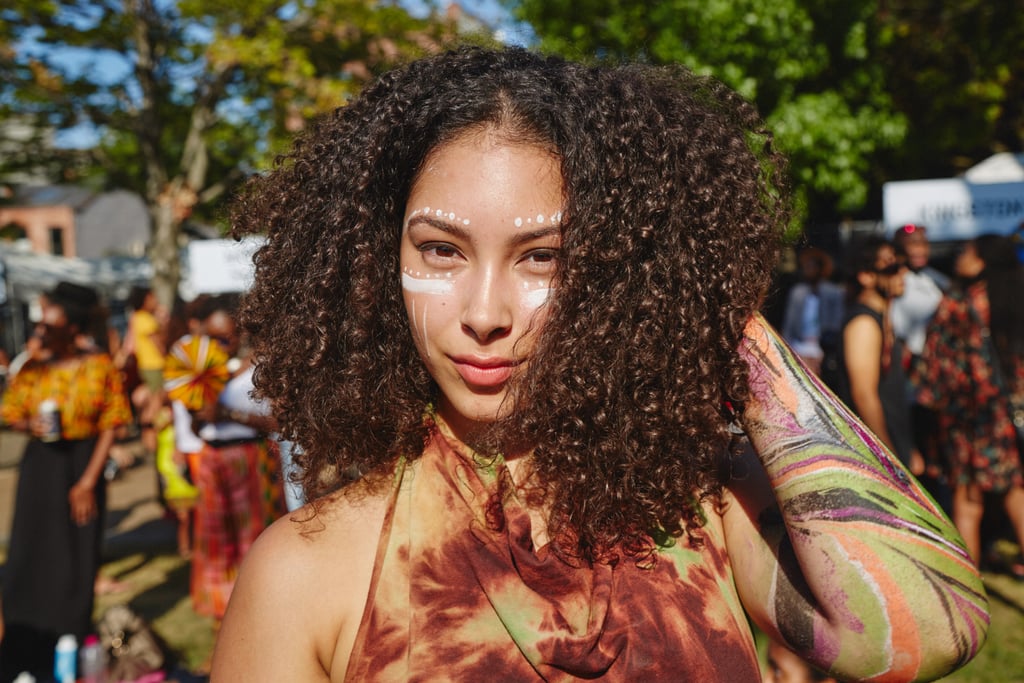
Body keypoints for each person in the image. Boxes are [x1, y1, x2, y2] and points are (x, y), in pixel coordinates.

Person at [211, 47, 988, 681]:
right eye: (441, 250)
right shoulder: (307, 572)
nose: (485, 313)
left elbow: (928, 627)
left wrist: (711, 310)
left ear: (618, 274)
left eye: (543, 256)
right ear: (374, 263)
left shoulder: (702, 508)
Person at [0, 282, 132, 682]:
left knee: (76, 555)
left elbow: (112, 423)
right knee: (30, 552)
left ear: (72, 326)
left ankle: (69, 642)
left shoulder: (99, 366)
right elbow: (8, 412)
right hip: (41, 467)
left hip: (82, 465)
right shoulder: (34, 368)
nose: (40, 328)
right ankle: (24, 647)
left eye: (48, 320)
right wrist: (29, 422)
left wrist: (88, 482)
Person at [914, 233, 1024, 579]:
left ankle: (969, 587)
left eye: (967, 251)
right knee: (1014, 492)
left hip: (967, 417)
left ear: (982, 260)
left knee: (967, 499)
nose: (960, 255)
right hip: (1003, 415)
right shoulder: (1012, 296)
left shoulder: (958, 302)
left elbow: (933, 366)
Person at [835, 236, 921, 472]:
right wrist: (890, 460)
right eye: (891, 266)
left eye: (902, 264)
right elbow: (864, 396)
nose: (902, 272)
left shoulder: (881, 319)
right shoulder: (863, 323)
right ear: (866, 276)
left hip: (893, 442)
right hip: (876, 458)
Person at [781, 246, 844, 378]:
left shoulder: (833, 292)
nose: (808, 270)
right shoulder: (798, 292)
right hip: (799, 347)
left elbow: (836, 324)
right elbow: (789, 324)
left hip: (823, 349)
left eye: (812, 266)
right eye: (806, 267)